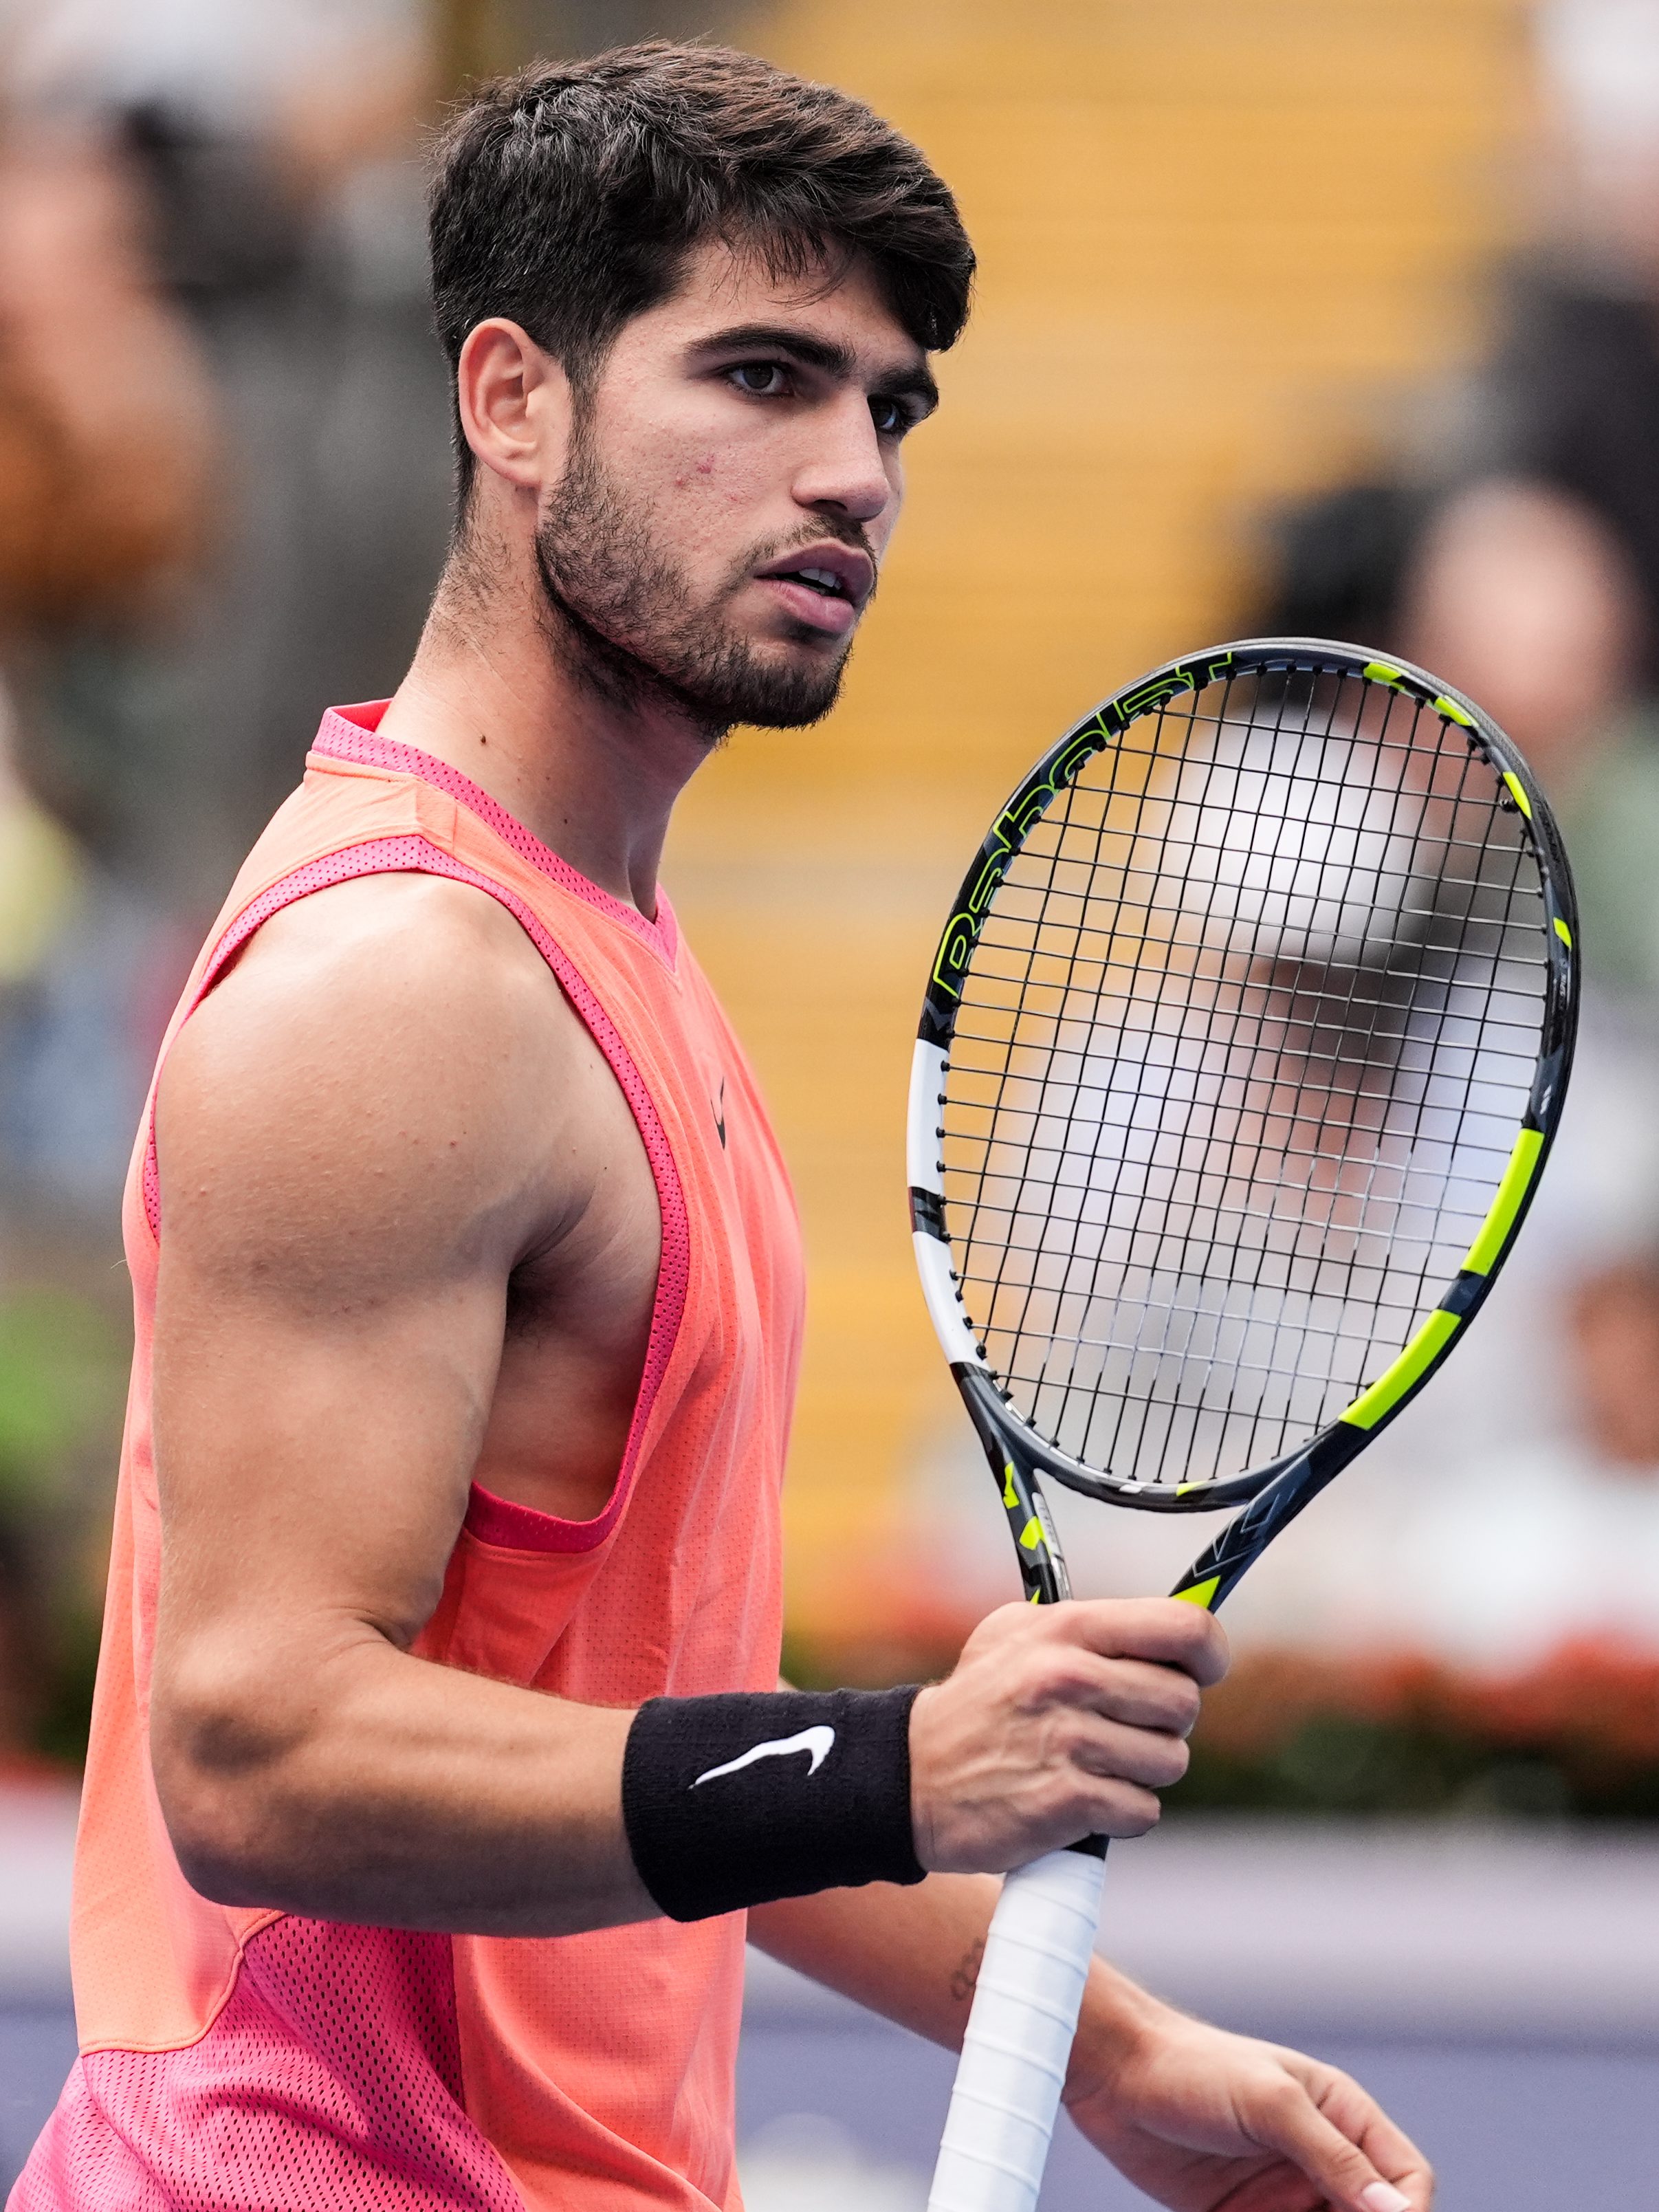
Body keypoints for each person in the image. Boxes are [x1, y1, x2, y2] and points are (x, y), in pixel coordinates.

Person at [10, 45, 1431, 2212]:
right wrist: (891, 1761)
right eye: (761, 375)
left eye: (889, 405)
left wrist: (1104, 2045)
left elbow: (630, 1715)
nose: (852, 469)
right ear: (513, 400)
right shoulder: (410, 983)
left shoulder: (599, 944)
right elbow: (259, 1742)